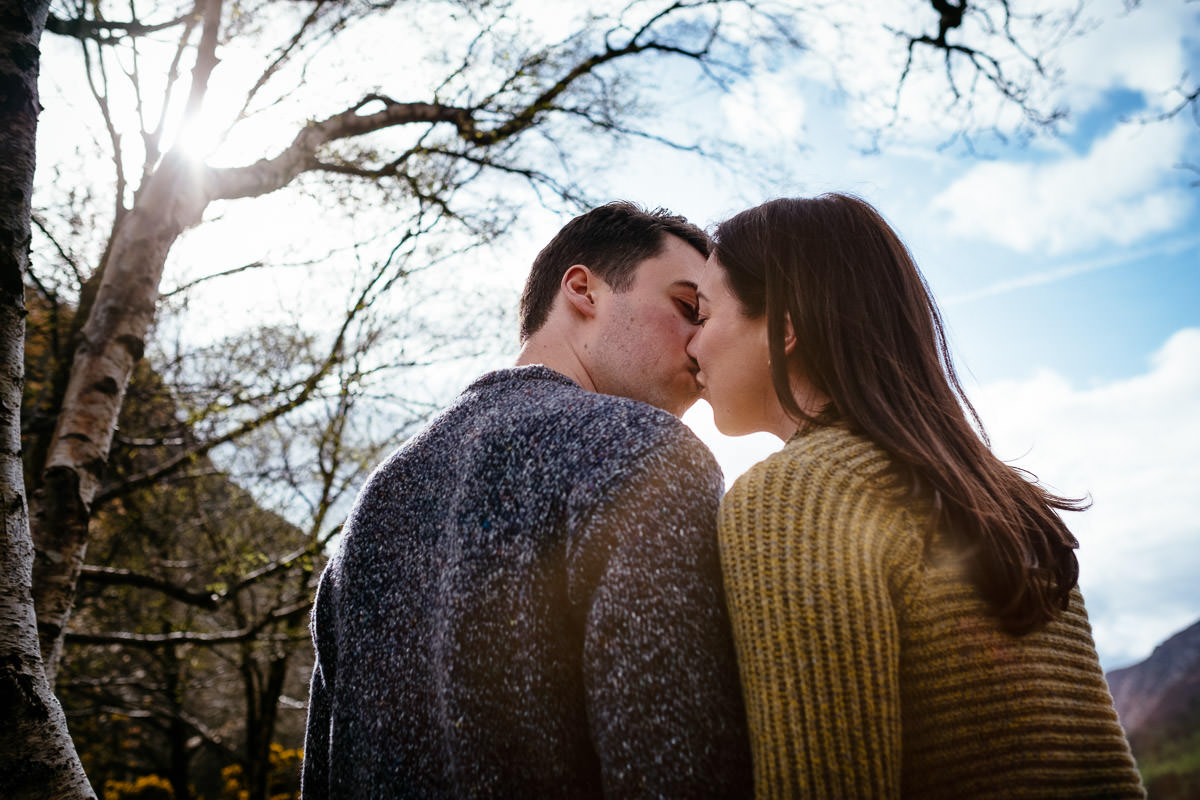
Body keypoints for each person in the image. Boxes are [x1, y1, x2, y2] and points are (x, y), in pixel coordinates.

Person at [686, 193, 1145, 798]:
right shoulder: (1002, 498)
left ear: (786, 326)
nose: (691, 345)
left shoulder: (794, 492)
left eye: (703, 313)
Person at [301, 201, 752, 799]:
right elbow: (676, 768)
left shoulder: (375, 500)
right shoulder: (646, 452)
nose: (701, 347)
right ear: (583, 289)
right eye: (688, 308)